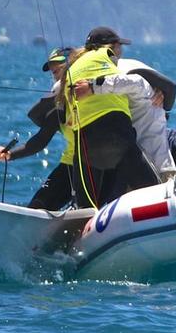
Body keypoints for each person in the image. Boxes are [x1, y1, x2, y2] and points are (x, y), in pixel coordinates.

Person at [60, 36, 159, 207]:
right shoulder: (107, 55)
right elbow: (127, 81)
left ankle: (82, 224)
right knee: (154, 193)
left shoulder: (69, 70)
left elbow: (65, 114)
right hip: (116, 134)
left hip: (85, 145)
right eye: (120, 47)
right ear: (111, 47)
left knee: (85, 210)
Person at [73, 26, 176, 177]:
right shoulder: (103, 71)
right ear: (113, 47)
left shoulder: (123, 68)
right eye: (119, 46)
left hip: (156, 164)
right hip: (127, 161)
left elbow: (169, 88)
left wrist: (91, 87)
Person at [0, 48, 77, 210]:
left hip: (97, 163)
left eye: (58, 71)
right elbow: (39, 141)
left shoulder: (94, 93)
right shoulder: (57, 110)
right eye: (53, 73)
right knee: (38, 205)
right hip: (70, 165)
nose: (55, 77)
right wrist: (9, 154)